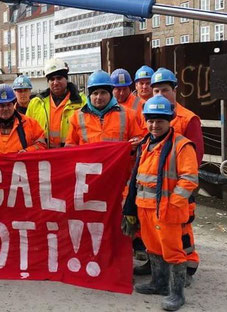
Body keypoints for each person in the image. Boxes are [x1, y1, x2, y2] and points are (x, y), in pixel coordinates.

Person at [122, 94, 199, 311]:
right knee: (153, 248)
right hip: (144, 207)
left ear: (170, 120)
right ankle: (159, 283)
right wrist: (130, 206)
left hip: (168, 210)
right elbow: (137, 178)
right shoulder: (145, 144)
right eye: (150, 121)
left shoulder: (181, 146)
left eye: (160, 121)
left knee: (173, 252)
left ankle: (176, 293)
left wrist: (173, 204)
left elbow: (189, 179)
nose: (154, 125)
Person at [149, 67, 203, 280]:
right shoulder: (152, 113)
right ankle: (156, 264)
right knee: (157, 227)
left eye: (164, 90)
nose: (160, 95)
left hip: (178, 184)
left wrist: (182, 187)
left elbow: (196, 156)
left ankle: (188, 266)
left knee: (182, 227)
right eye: (156, 91)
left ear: (175, 90)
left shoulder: (188, 118)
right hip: (156, 185)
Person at [65, 70, 144, 147]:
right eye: (95, 93)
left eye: (103, 93)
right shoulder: (76, 117)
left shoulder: (128, 115)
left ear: (110, 94)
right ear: (89, 95)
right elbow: (70, 146)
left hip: (118, 160)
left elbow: (138, 138)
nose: (99, 97)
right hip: (88, 160)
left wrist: (135, 141)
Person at [26, 58, 86, 148]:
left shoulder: (82, 102)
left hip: (70, 155)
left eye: (59, 78)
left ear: (66, 78)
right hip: (44, 156)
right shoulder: (36, 103)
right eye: (52, 79)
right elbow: (27, 132)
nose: (55, 82)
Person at [0, 84, 46, 154]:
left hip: (21, 164)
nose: (6, 108)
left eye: (9, 104)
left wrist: (27, 151)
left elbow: (41, 144)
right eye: (2, 105)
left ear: (14, 104)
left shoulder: (31, 124)